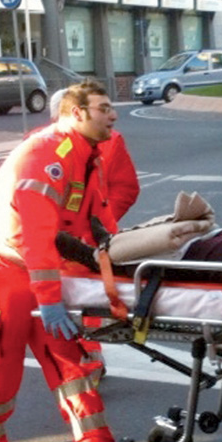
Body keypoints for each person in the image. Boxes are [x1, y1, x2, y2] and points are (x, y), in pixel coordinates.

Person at [0, 80, 121, 442]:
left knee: (68, 352)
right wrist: (49, 297)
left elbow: (98, 220)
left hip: (32, 264)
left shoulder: (88, 155)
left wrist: (116, 263)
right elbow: (36, 234)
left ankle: (93, 440)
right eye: (104, 108)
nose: (113, 116)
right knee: (1, 356)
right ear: (77, 113)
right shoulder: (47, 155)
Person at [49, 87, 141, 373]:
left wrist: (99, 224)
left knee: (85, 299)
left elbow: (125, 188)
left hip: (86, 238)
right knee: (61, 298)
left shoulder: (109, 141)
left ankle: (88, 357)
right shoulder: (41, 145)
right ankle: (74, 359)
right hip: (53, 238)